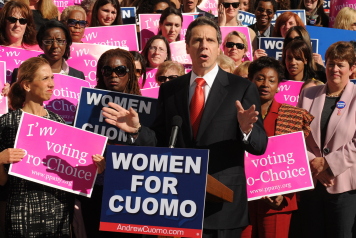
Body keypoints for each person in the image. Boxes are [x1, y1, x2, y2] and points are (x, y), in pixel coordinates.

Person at [101, 17, 268, 238]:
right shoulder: (170, 90)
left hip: (223, 208)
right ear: (187, 47)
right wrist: (137, 130)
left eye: (210, 40)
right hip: (178, 203)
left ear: (219, 47)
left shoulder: (242, 88)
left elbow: (260, 145)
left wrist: (246, 130)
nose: (204, 45)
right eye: (197, 40)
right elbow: (161, 139)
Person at [0, 57, 104, 237]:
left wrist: (94, 168)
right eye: (45, 79)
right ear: (27, 86)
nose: (51, 84)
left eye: (52, 78)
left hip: (58, 212)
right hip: (22, 213)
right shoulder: (9, 122)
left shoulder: (58, 122)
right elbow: (1, 182)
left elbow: (71, 171)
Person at [297, 41, 356, 238]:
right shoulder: (308, 94)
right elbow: (296, 135)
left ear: (351, 69)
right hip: (313, 183)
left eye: (340, 65)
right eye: (331, 63)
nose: (335, 69)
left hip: (348, 188)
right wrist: (313, 164)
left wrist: (328, 164)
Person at [242, 56, 314, 238]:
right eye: (259, 78)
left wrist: (285, 195)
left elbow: (295, 163)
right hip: (242, 203)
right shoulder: (239, 114)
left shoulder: (292, 116)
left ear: (278, 86)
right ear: (250, 80)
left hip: (277, 204)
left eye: (272, 80)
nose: (265, 84)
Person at [79, 48, 142, 238]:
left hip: (132, 194)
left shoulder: (145, 109)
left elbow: (152, 148)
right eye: (107, 71)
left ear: (130, 74)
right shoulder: (86, 106)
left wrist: (136, 131)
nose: (113, 75)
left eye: (120, 70)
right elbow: (77, 148)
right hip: (95, 192)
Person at [11, 20, 85, 83]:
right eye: (49, 41)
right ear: (40, 44)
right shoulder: (22, 73)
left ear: (66, 43)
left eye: (60, 41)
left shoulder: (78, 76)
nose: (55, 46)